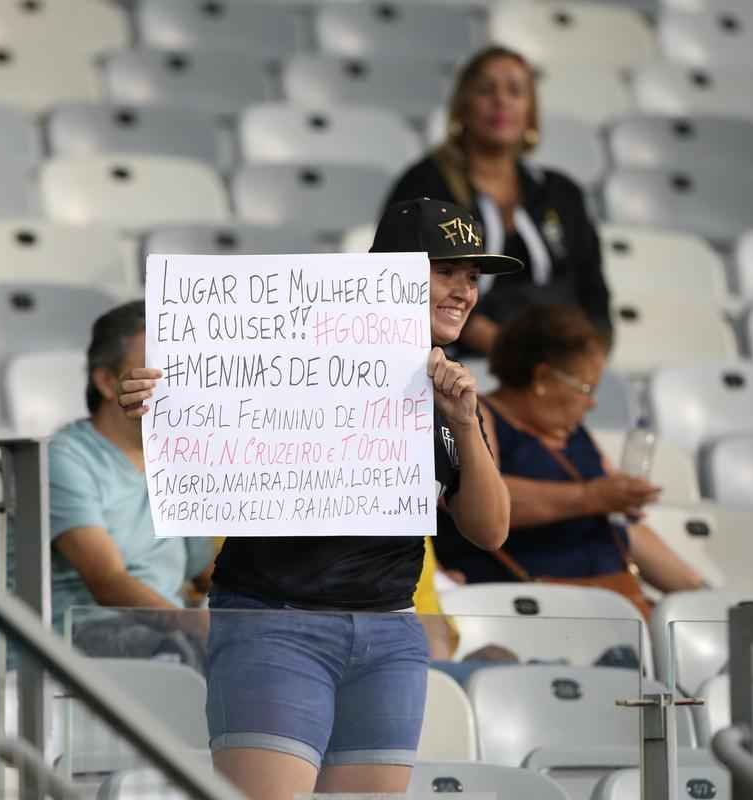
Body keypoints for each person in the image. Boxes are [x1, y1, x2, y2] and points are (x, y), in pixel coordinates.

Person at [118, 198, 512, 800]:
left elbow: (491, 531)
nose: (464, 291)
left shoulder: (446, 389)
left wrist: (464, 422)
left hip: (390, 631)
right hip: (274, 622)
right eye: (445, 272)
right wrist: (163, 399)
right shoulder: (285, 353)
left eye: (472, 276)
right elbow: (198, 411)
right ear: (387, 275)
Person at [434, 304, 705, 603]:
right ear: (543, 379)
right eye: (586, 389)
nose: (592, 403)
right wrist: (590, 496)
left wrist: (701, 595)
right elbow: (483, 499)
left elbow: (622, 527)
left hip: (614, 596)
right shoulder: (476, 417)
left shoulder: (575, 433)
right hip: (532, 604)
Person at [383, 45, 611, 354]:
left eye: (515, 91)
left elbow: (592, 288)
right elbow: (405, 284)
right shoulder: (424, 185)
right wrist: (501, 346)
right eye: (486, 90)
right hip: (451, 359)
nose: (501, 100)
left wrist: (590, 352)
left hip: (556, 356)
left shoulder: (561, 192)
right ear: (462, 106)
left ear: (530, 113)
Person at [48, 301, 215, 652]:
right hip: (82, 641)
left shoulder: (178, 457)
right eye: (157, 368)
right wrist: (197, 628)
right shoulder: (65, 457)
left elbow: (205, 572)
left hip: (167, 638)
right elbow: (108, 582)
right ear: (108, 382)